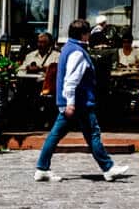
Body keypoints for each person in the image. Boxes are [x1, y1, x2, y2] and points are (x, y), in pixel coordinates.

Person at [33, 19, 129, 183]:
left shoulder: (67, 48)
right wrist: (70, 103)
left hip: (71, 102)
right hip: (80, 103)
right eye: (87, 33)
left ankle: (42, 168)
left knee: (56, 135)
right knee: (92, 134)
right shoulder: (77, 52)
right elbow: (71, 80)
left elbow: (66, 77)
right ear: (83, 35)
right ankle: (108, 168)